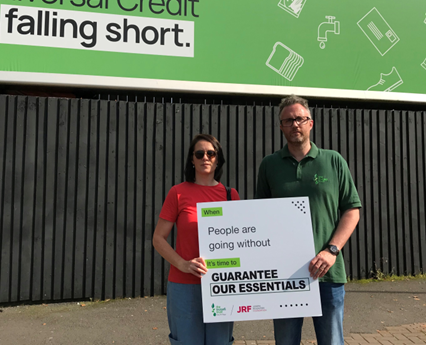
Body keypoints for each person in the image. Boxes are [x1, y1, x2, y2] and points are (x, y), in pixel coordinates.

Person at [255, 95, 361, 345]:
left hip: (327, 271)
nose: (295, 125)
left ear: (310, 123)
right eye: (288, 120)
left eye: (300, 119)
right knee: (286, 341)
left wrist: (332, 250)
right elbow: (261, 216)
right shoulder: (269, 165)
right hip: (284, 275)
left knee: (332, 341)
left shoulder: (333, 160)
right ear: (281, 126)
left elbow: (352, 209)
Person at [153, 134, 240, 345]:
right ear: (192, 159)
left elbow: (240, 241)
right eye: (199, 153)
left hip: (221, 284)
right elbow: (158, 238)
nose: (205, 158)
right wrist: (182, 264)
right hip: (184, 286)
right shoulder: (178, 193)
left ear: (218, 159)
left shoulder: (231, 195)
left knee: (220, 342)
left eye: (211, 153)